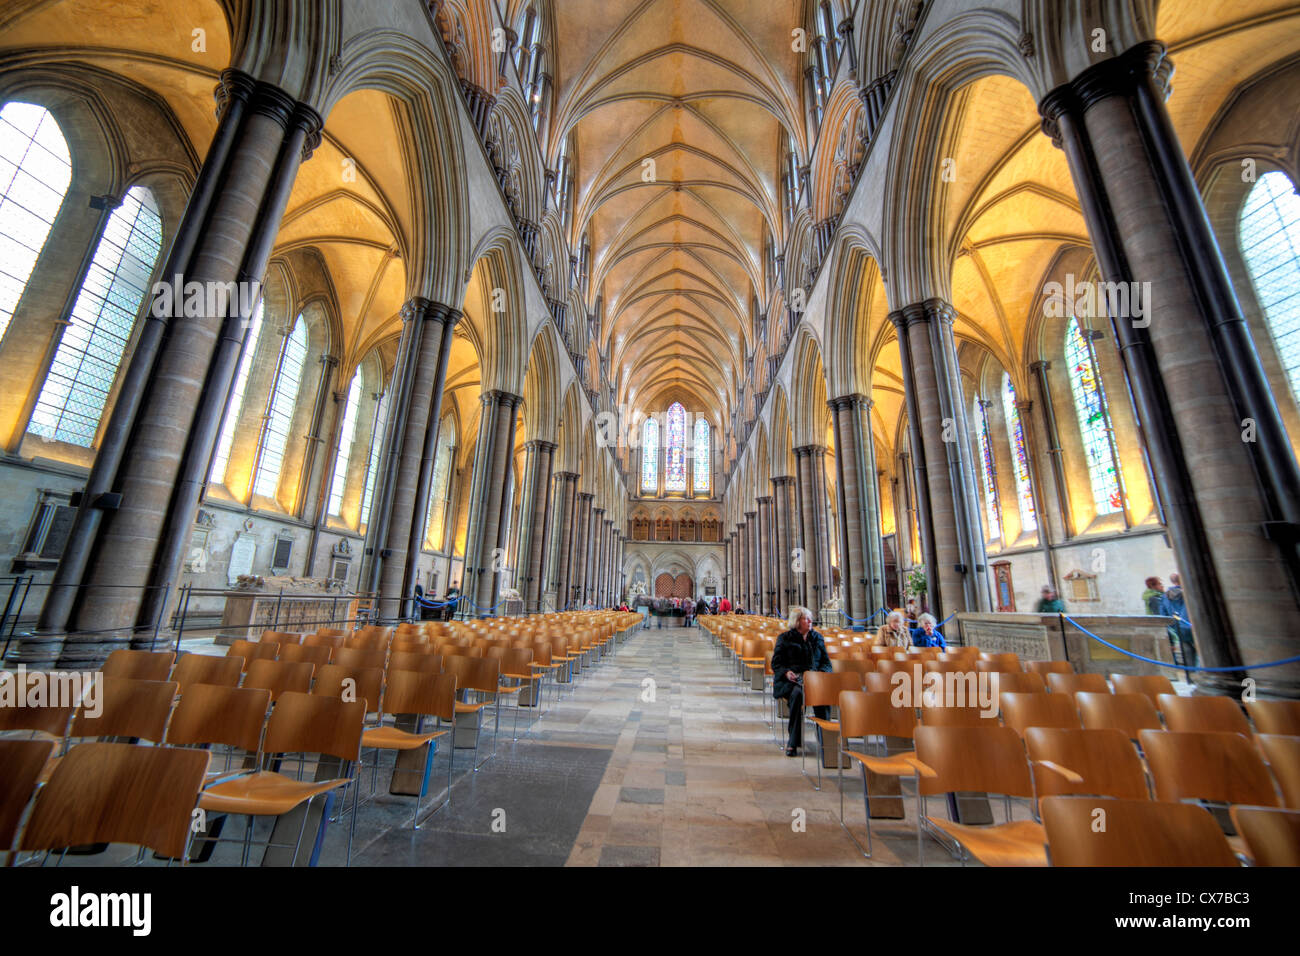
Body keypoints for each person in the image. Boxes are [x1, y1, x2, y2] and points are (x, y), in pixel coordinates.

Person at [771, 606, 832, 756]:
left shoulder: (817, 638)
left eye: (810, 618)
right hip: (793, 681)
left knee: (823, 696)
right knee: (798, 694)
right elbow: (776, 664)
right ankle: (793, 740)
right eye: (806, 618)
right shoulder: (785, 638)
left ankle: (825, 740)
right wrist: (786, 673)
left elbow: (826, 663)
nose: (810, 621)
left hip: (814, 679)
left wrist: (821, 674)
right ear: (797, 621)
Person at [1158, 584, 1197, 668]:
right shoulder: (1189, 592)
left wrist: (1173, 628)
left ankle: (1191, 673)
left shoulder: (1165, 597)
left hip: (1179, 628)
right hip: (1193, 626)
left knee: (1187, 650)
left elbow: (1163, 615)